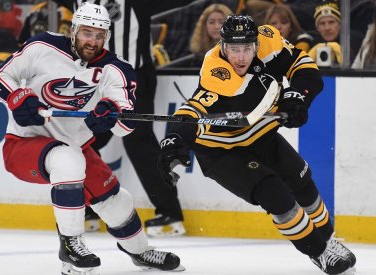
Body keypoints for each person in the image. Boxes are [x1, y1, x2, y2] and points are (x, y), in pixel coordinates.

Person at [0, 3, 183, 274]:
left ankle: (140, 252)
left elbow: (125, 125)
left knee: (117, 201)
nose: (93, 41)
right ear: (74, 30)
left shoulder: (117, 69)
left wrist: (111, 114)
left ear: (107, 37)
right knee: (68, 160)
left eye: (99, 35)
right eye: (87, 33)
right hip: (23, 145)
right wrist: (16, 97)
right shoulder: (42, 46)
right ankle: (70, 245)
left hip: (76, 147)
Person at [158, 15, 356, 275]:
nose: (240, 57)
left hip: (260, 134)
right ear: (223, 46)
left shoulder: (268, 39)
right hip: (221, 150)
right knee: (276, 195)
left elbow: (303, 67)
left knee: (303, 182)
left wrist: (299, 97)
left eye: (247, 49)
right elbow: (192, 110)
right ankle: (319, 253)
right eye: (234, 50)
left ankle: (328, 241)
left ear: (256, 43)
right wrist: (176, 137)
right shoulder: (215, 69)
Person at [56, 0, 190, 237]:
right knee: (84, 141)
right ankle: (91, 205)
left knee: (138, 141)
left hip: (133, 78)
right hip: (93, 78)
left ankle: (170, 211)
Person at [307, 0, 363, 67]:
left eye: (331, 22)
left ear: (340, 25)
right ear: (317, 28)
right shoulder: (312, 43)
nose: (327, 28)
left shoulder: (355, 41)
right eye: (322, 23)